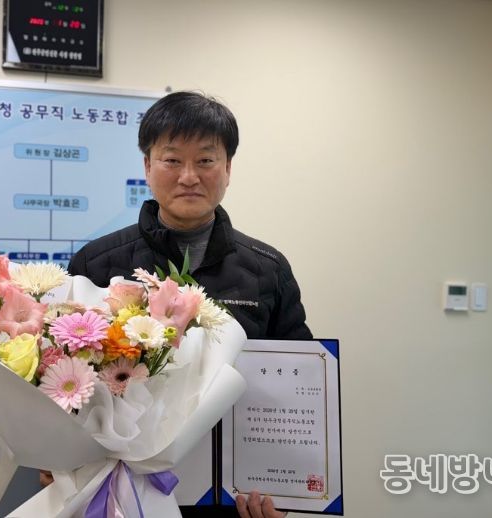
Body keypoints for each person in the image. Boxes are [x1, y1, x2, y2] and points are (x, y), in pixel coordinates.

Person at [66, 91, 312, 518]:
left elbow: (297, 378)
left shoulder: (267, 270)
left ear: (228, 168)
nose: (189, 176)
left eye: (205, 160)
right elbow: (65, 375)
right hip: (121, 494)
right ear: (148, 165)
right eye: (172, 160)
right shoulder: (98, 264)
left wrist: (284, 488)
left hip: (233, 500)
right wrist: (60, 458)